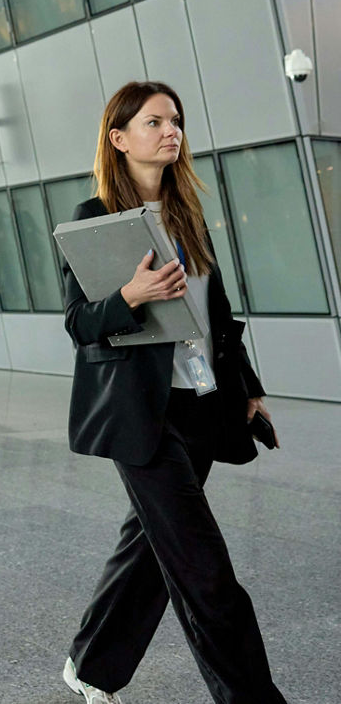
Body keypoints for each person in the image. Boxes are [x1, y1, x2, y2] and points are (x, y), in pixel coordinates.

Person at [60, 81, 285, 704]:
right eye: (154, 120)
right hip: (143, 421)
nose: (170, 130)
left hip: (204, 408)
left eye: (176, 120)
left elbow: (219, 315)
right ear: (119, 138)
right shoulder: (94, 217)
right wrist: (131, 296)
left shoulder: (188, 214)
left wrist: (248, 389)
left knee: (149, 550)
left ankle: (91, 666)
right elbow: (81, 322)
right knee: (205, 572)